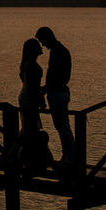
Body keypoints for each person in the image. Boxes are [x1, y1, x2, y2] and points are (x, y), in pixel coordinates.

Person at [37, 26, 75, 164]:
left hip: (58, 94)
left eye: (42, 41)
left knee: (63, 126)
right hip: (58, 92)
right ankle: (68, 156)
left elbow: (57, 77)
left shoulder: (58, 52)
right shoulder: (60, 51)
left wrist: (46, 88)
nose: (43, 45)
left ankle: (69, 157)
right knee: (62, 126)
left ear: (48, 37)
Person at [18, 38, 46, 136]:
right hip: (29, 99)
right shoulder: (32, 65)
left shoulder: (28, 64)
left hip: (26, 97)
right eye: (38, 45)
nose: (41, 47)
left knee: (28, 126)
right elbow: (34, 87)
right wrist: (42, 101)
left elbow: (32, 85)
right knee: (30, 127)